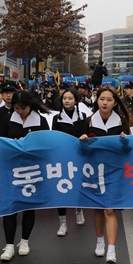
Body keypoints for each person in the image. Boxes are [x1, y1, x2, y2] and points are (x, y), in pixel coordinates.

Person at [78, 87, 132, 264]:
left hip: (115, 169)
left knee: (110, 208)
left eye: (109, 99)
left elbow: (129, 150)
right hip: (94, 170)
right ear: (97, 100)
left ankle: (112, 249)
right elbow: (79, 149)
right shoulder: (88, 121)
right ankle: (99, 241)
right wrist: (83, 141)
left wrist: (125, 141)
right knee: (99, 207)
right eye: (102, 99)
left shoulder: (122, 121)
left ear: (115, 102)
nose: (105, 103)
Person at [0, 90, 51, 261]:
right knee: (10, 206)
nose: (19, 111)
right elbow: (0, 141)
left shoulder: (40, 120)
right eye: (16, 108)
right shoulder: (7, 119)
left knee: (28, 206)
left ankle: (25, 241)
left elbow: (46, 143)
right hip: (12, 168)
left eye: (23, 108)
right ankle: (8, 246)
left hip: (32, 169)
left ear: (30, 106)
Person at [52, 88, 89, 236]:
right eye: (64, 98)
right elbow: (54, 138)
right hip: (62, 158)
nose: (67, 101)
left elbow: (88, 135)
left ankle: (79, 210)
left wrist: (85, 137)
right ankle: (62, 223)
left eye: (70, 98)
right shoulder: (57, 118)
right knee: (61, 189)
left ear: (76, 100)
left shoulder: (83, 117)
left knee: (79, 186)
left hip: (79, 157)